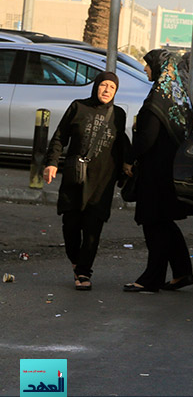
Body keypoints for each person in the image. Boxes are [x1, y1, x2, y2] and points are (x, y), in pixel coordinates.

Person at [43, 72, 131, 291]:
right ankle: (76, 261)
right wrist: (52, 162)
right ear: (96, 87)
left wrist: (128, 164)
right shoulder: (78, 107)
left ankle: (84, 271)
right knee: (70, 224)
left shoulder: (118, 114)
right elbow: (60, 136)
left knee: (93, 228)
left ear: (116, 91)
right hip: (76, 177)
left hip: (102, 181)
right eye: (103, 85)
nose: (107, 90)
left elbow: (122, 142)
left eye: (112, 87)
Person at [124, 50, 193, 293]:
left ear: (161, 67)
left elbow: (147, 138)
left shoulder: (158, 98)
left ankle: (151, 279)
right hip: (174, 170)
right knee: (164, 223)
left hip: (155, 173)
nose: (146, 70)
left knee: (154, 224)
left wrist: (129, 158)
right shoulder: (181, 96)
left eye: (148, 65)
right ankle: (182, 272)